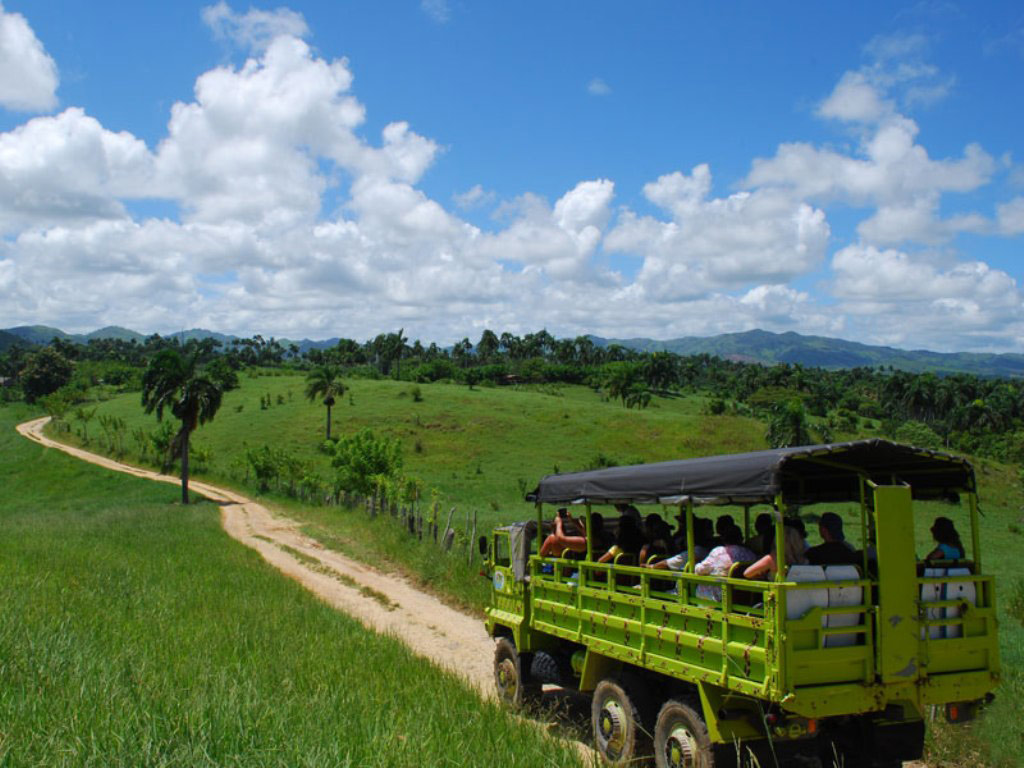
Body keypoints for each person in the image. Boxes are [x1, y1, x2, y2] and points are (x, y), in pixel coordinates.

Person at [694, 524, 755, 600]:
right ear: (741, 538)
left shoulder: (718, 552)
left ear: (723, 538)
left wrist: (696, 565)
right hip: (742, 596)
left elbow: (701, 569)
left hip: (720, 596)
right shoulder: (749, 554)